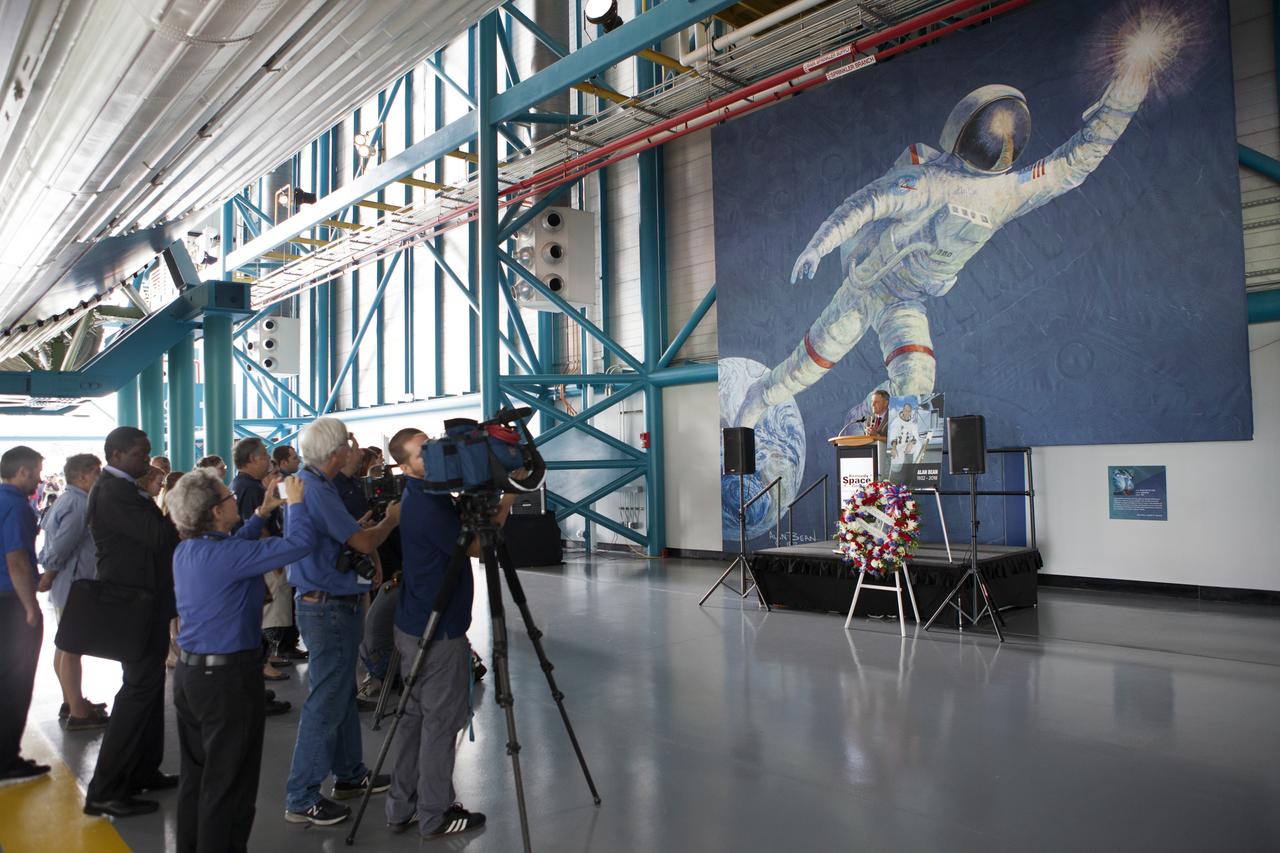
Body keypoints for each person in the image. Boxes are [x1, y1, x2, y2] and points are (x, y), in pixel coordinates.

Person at [733, 31, 1181, 431]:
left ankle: (890, 478)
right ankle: (758, 398)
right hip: (868, 285)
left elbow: (1077, 161)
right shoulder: (928, 181)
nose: (997, 145)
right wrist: (820, 246)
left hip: (906, 301)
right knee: (806, 369)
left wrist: (1127, 92)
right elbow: (867, 205)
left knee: (917, 383)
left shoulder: (1009, 191)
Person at [167, 467, 315, 853]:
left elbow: (236, 549)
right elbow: (299, 544)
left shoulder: (189, 550)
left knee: (198, 780)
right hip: (228, 682)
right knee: (230, 787)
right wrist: (297, 505)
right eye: (229, 498)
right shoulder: (227, 555)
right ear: (216, 511)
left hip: (193, 676)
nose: (236, 498)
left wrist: (260, 515)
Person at [382, 427, 516, 838]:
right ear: (405, 466)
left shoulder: (430, 493)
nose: (436, 452)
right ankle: (435, 814)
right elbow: (476, 547)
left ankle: (400, 806)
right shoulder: (428, 506)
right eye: (425, 451)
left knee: (414, 719)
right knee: (440, 724)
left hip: (415, 622)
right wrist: (508, 498)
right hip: (436, 632)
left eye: (434, 443)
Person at [283, 417, 401, 827]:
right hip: (329, 607)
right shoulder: (316, 490)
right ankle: (302, 795)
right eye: (349, 443)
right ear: (335, 454)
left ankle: (350, 773)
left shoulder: (316, 484)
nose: (354, 449)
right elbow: (362, 543)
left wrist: (362, 527)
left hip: (333, 601)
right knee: (326, 701)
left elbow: (345, 535)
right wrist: (390, 521)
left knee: (339, 693)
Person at [83, 426, 180, 818]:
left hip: (148, 603)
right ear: (117, 453)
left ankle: (142, 769)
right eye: (141, 453)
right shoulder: (114, 492)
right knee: (137, 691)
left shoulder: (128, 488)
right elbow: (157, 536)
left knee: (149, 687)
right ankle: (105, 788)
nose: (147, 459)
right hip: (133, 605)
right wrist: (182, 511)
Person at [37, 453, 109, 730]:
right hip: (76, 583)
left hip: (66, 583)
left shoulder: (66, 500)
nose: (100, 478)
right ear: (82, 476)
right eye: (96, 472)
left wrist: (50, 575)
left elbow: (48, 542)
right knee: (72, 648)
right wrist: (49, 575)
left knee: (65, 644)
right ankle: (78, 713)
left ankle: (72, 700)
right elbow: (63, 546)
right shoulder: (80, 504)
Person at [0, 446, 51, 784]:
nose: (38, 480)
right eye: (34, 473)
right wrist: (31, 607)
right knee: (15, 683)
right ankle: (6, 760)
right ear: (21, 472)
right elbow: (16, 559)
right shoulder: (17, 506)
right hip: (11, 603)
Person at [230, 438, 292, 681]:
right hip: (260, 556)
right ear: (253, 459)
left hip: (258, 554)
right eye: (265, 455)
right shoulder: (249, 487)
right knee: (266, 610)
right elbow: (255, 526)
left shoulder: (250, 484)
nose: (268, 460)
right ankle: (263, 661)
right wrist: (273, 558)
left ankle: (267, 655)